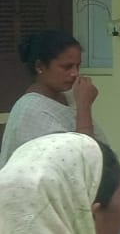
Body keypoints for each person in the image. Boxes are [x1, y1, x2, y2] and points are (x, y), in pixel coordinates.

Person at [0, 30, 105, 170]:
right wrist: (84, 106)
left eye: (77, 66)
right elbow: (79, 162)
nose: (75, 73)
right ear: (40, 67)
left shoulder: (68, 99)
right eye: (67, 67)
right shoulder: (31, 110)